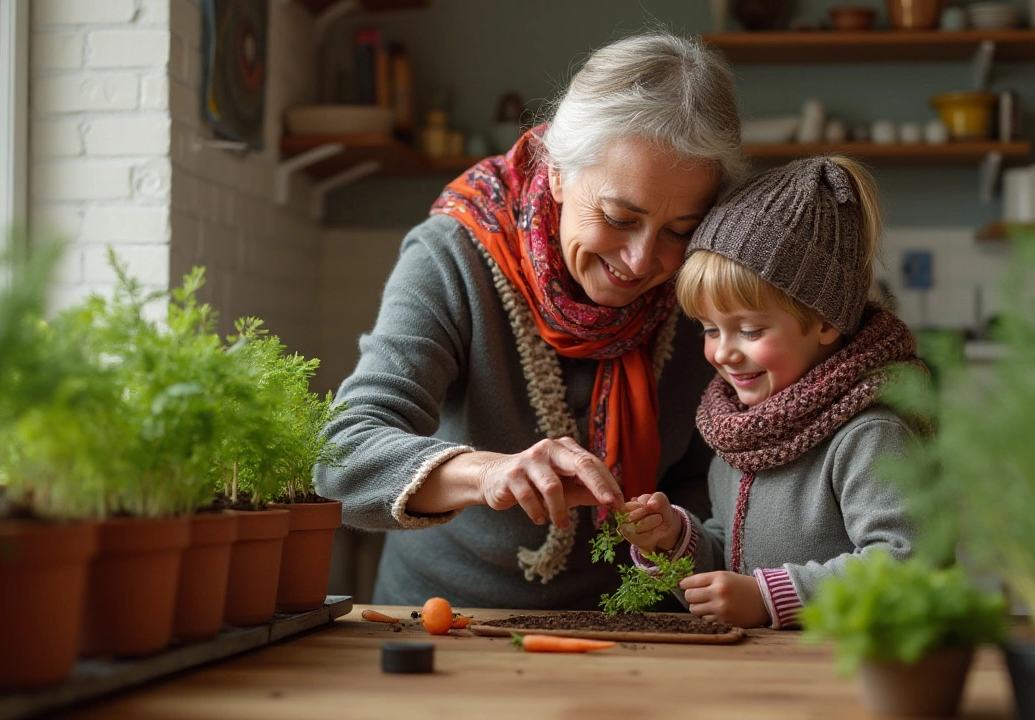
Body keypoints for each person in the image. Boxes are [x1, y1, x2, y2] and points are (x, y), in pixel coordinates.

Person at [314, 31, 748, 609]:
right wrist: (489, 473)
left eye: (678, 230)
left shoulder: (702, 281)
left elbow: (705, 479)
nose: (644, 261)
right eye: (619, 217)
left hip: (639, 628)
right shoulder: (455, 255)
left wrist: (675, 529)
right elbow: (342, 456)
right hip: (446, 623)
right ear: (559, 171)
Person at [619, 156, 923, 629]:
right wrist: (677, 540)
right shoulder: (740, 434)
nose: (724, 353)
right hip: (762, 679)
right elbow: (731, 556)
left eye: (750, 329)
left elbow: (905, 562)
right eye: (709, 330)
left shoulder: (869, 436)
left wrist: (769, 598)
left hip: (848, 678)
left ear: (825, 321)